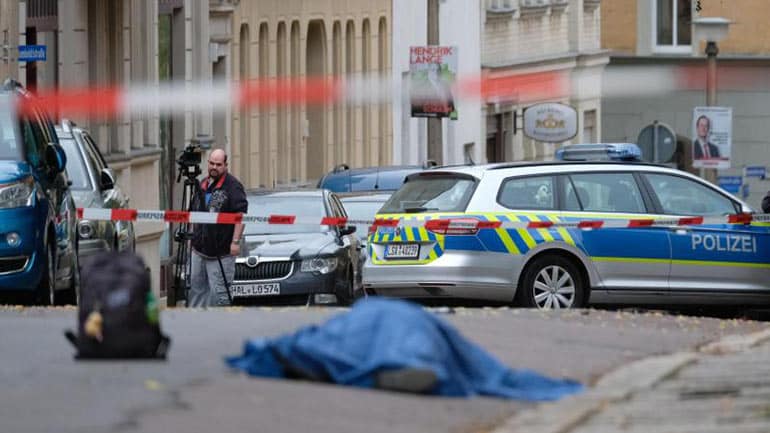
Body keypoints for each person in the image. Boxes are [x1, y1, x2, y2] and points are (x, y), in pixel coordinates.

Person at [189, 148, 248, 307]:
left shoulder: (233, 186)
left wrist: (235, 241)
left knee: (219, 294)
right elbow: (194, 214)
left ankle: (222, 326)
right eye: (212, 163)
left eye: (218, 164)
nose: (214, 167)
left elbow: (240, 215)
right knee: (196, 291)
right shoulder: (202, 184)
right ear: (207, 163)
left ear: (226, 165)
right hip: (199, 250)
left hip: (221, 253)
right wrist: (191, 237)